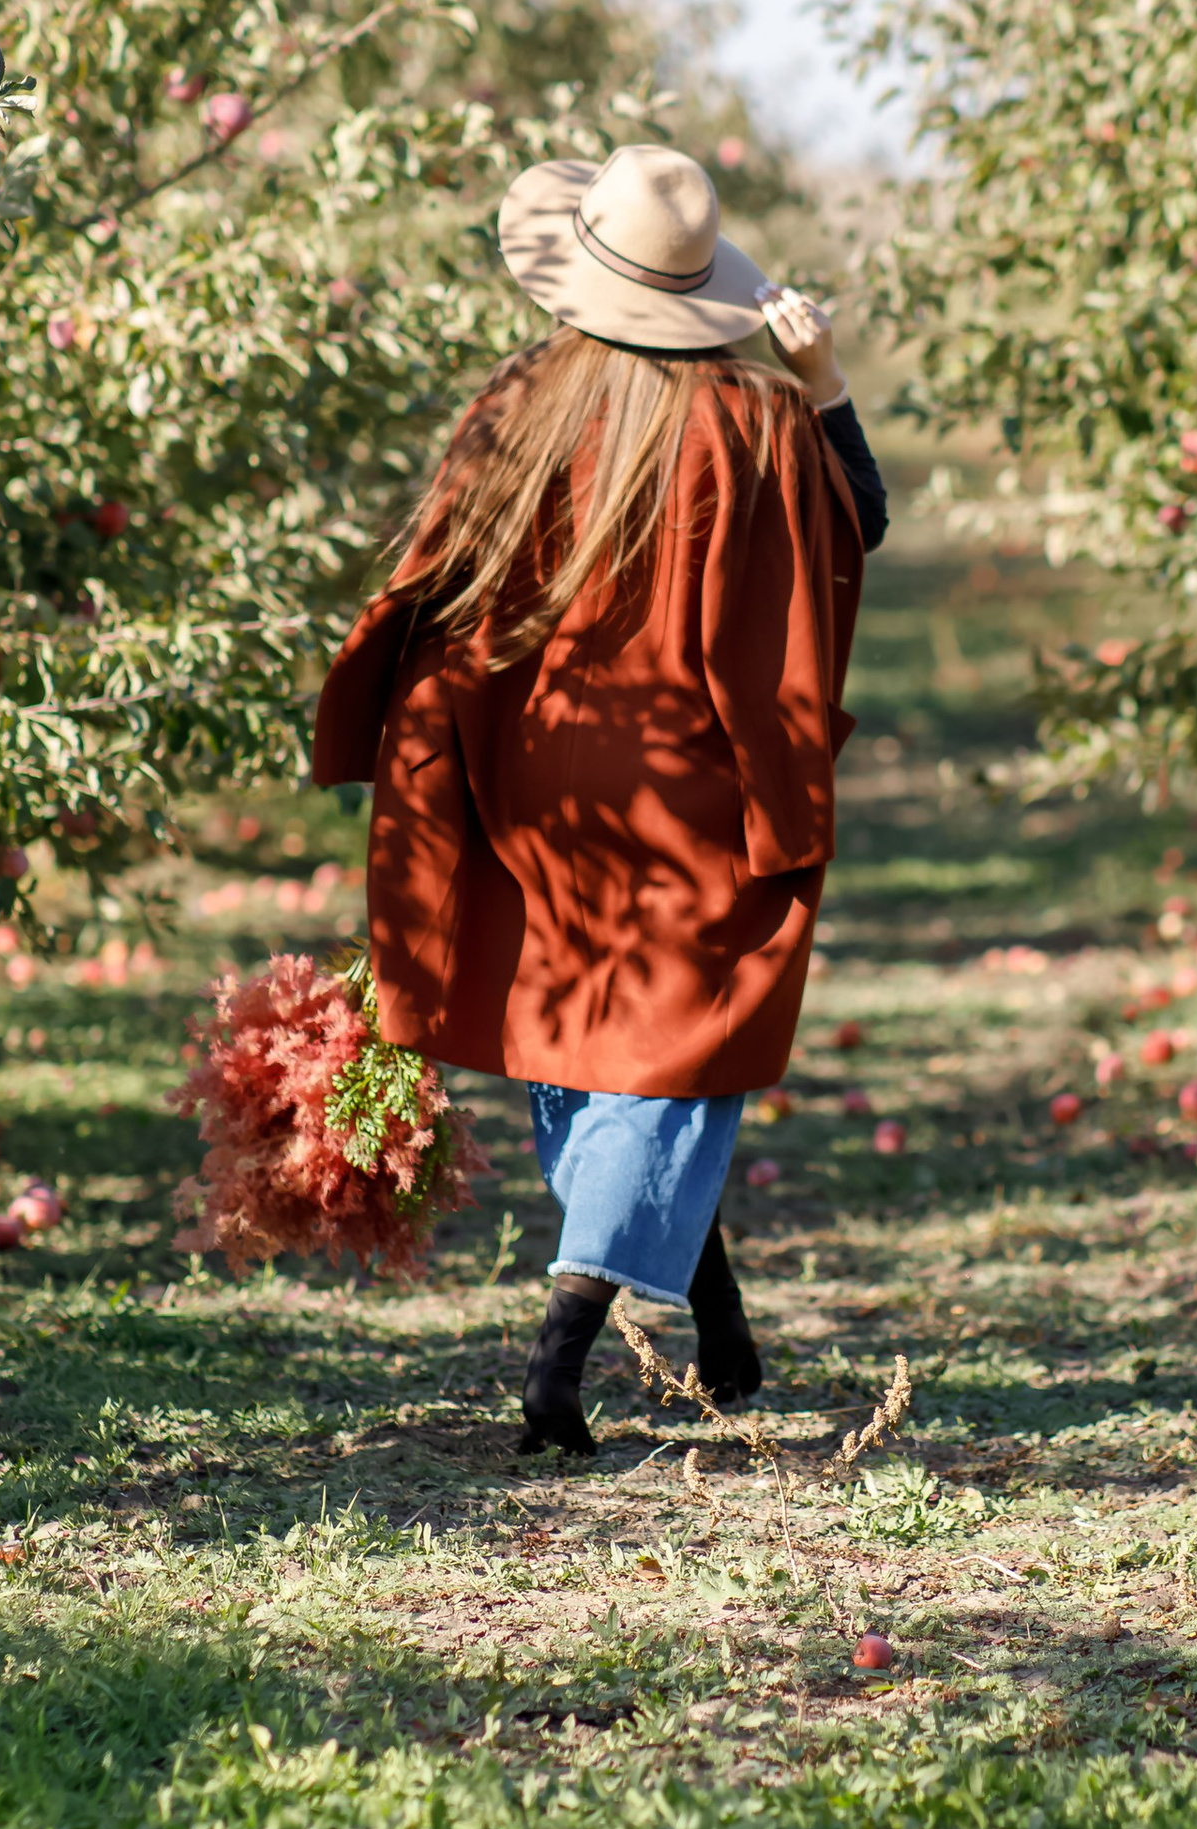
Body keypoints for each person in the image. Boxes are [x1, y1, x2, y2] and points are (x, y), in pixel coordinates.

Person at [310, 141, 887, 1453]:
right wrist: (825, 383)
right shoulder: (757, 425)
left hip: (531, 767)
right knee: (679, 1048)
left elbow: (434, 581)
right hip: (691, 781)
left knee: (597, 1031)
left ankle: (721, 1328)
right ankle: (560, 1354)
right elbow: (859, 524)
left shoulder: (521, 402)